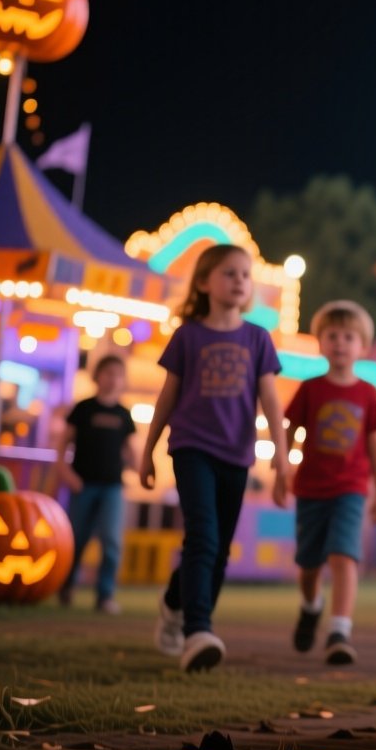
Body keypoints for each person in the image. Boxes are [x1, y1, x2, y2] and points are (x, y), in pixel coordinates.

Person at [141, 244, 287, 673]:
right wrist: (147, 451)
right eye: (229, 273)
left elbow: (271, 401)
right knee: (203, 536)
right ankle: (198, 631)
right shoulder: (188, 335)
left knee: (217, 548)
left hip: (237, 455)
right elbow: (167, 396)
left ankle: (174, 605)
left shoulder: (257, 338)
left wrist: (282, 455)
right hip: (191, 448)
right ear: (204, 283)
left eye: (245, 274)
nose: (240, 280)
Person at [276, 300, 376, 665]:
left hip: (351, 489)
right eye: (332, 336)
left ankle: (340, 630)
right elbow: (289, 432)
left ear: (363, 347)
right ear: (320, 343)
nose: (340, 343)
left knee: (344, 556)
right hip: (310, 489)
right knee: (309, 565)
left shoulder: (368, 395)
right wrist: (281, 473)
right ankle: (311, 606)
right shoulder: (309, 389)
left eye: (349, 337)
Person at [56, 356, 137, 614]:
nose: (113, 378)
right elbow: (62, 445)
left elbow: (131, 451)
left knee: (112, 542)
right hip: (83, 485)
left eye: (118, 374)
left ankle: (105, 595)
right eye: (108, 372)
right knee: (76, 539)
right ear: (97, 376)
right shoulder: (83, 409)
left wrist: (138, 469)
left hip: (112, 487)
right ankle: (66, 586)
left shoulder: (124, 415)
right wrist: (65, 473)